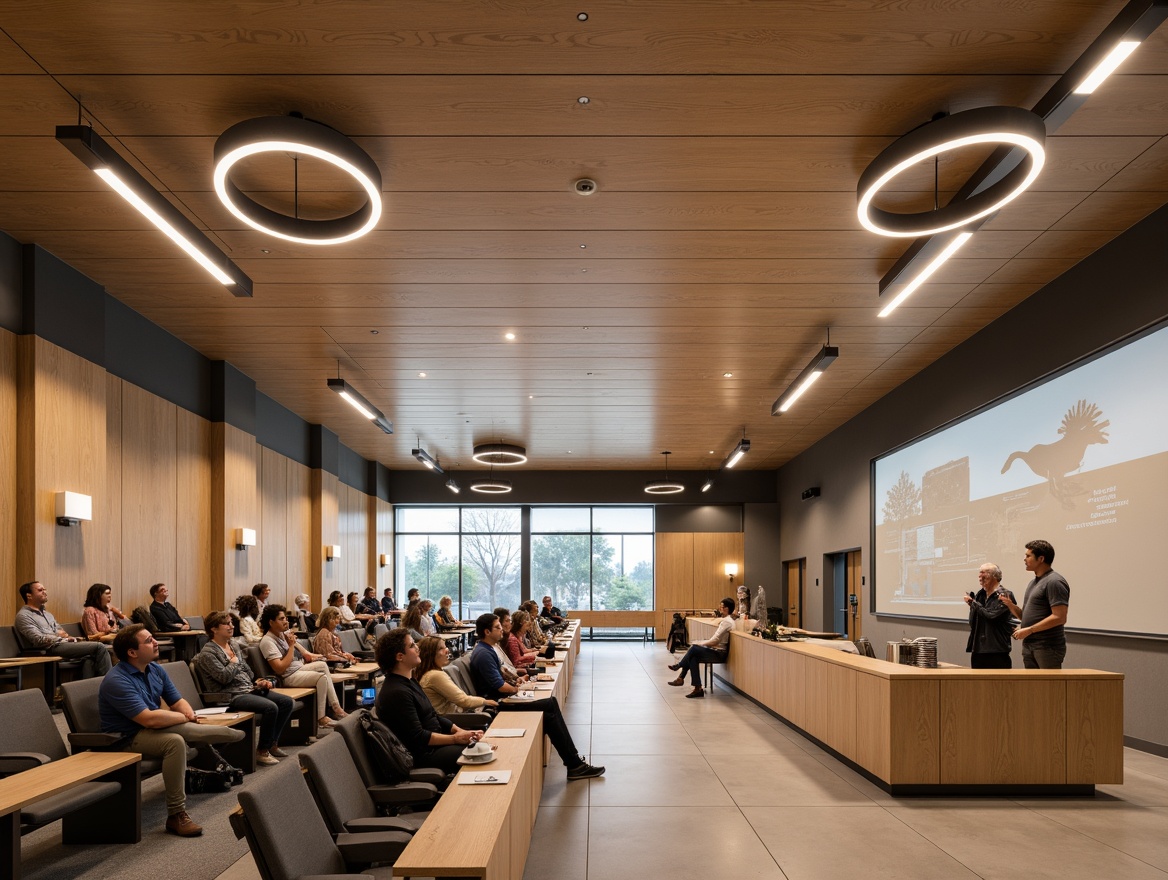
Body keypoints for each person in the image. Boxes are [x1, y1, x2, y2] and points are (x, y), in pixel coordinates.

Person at [99, 623, 244, 837]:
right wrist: (184, 716)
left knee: (183, 728)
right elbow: (148, 719)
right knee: (175, 741)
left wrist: (189, 714)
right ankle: (176, 815)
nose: (156, 642)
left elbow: (177, 700)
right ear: (132, 652)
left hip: (150, 729)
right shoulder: (117, 680)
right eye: (149, 640)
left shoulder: (155, 668)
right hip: (125, 738)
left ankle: (202, 732)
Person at [469, 613, 603, 780]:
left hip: (502, 699)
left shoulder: (487, 649)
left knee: (549, 711)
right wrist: (517, 687)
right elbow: (501, 687)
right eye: (498, 627)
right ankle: (574, 763)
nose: (502, 630)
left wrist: (516, 681)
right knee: (550, 704)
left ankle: (574, 763)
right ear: (487, 632)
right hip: (499, 703)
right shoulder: (484, 654)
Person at [374, 627, 485, 774]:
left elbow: (433, 716)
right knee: (481, 752)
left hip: (436, 745)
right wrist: (455, 739)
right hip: (425, 754)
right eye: (412, 645)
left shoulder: (409, 681)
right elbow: (418, 737)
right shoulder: (396, 692)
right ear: (400, 656)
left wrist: (462, 732)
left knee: (483, 744)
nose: (418, 647)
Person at [195, 611, 294, 766]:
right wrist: (233, 663)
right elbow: (223, 678)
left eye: (231, 623)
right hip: (230, 695)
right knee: (270, 708)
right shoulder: (207, 653)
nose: (231, 626)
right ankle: (262, 751)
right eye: (226, 624)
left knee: (287, 702)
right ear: (213, 629)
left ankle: (272, 744)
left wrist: (258, 682)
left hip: (248, 689)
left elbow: (247, 671)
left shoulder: (233, 645)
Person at [259, 603, 346, 728]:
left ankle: (336, 708)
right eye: (281, 619)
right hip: (287, 676)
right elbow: (280, 668)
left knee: (322, 665)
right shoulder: (267, 641)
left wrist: (321, 657)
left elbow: (305, 653)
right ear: (271, 622)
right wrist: (290, 646)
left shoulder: (284, 634)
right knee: (322, 678)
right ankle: (321, 717)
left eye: (286, 618)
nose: (286, 622)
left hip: (298, 668)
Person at [15, 580, 112, 678]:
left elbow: (62, 632)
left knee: (89, 658)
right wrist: (60, 637)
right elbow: (37, 639)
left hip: (62, 644)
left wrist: (67, 637)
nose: (45, 592)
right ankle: (111, 686)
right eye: (40, 590)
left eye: (45, 589)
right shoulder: (23, 616)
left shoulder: (47, 614)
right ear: (29, 596)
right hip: (49, 648)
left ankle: (88, 690)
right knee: (99, 647)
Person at [1000, 539, 1070, 669]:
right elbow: (1026, 617)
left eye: (1028, 556)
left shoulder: (1054, 581)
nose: (1024, 559)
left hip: (1047, 646)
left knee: (1049, 688)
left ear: (1041, 558)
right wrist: (1011, 606)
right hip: (1029, 645)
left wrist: (1029, 630)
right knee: (1034, 688)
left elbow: (1060, 617)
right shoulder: (1033, 583)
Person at [667, 597, 735, 698]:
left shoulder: (727, 622)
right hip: (716, 650)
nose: (720, 608)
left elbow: (715, 641)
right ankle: (696, 688)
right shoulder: (727, 621)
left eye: (722, 606)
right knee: (693, 657)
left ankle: (680, 668)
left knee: (694, 648)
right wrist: (701, 643)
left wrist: (701, 643)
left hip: (719, 653)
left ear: (727, 608)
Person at [415, 634, 498, 717]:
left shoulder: (430, 673)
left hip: (450, 718)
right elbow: (463, 701)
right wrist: (486, 702)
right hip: (452, 720)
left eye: (445, 647)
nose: (447, 650)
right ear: (430, 654)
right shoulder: (435, 675)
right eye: (441, 648)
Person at [962, 563, 1017, 668]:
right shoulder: (980, 594)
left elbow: (991, 615)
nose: (980, 576)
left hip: (997, 650)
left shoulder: (1005, 595)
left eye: (983, 572)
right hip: (978, 649)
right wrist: (972, 604)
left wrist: (973, 603)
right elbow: (973, 621)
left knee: (999, 683)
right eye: (979, 572)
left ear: (994, 576)